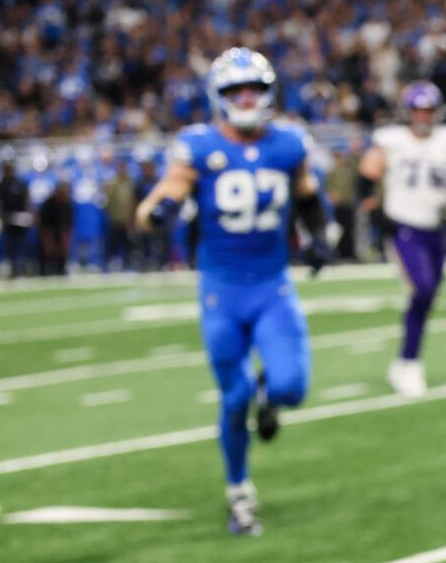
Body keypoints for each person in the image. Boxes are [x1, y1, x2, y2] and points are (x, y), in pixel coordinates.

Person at [134, 48, 329, 537]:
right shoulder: (197, 147)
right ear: (218, 98)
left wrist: (320, 237)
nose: (245, 99)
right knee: (233, 396)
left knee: (290, 387)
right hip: (221, 290)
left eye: (254, 90)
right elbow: (166, 192)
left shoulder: (288, 143)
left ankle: (269, 397)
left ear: (268, 94)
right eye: (234, 92)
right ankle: (239, 491)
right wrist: (158, 212)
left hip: (272, 285)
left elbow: (307, 196)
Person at [359, 81, 446, 398]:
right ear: (408, 113)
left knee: (429, 293)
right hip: (404, 226)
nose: (423, 116)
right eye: (418, 110)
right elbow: (367, 175)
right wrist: (374, 211)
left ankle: (407, 360)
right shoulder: (391, 140)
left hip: (437, 227)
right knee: (421, 289)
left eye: (428, 110)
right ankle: (408, 362)